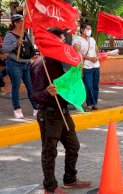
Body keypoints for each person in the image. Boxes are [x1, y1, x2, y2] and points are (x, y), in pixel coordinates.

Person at [31, 28, 91, 194]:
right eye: (61, 41)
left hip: (63, 112)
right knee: (50, 151)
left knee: (73, 146)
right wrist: (46, 92)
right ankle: (49, 186)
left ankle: (70, 179)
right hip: (49, 114)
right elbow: (35, 95)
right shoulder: (39, 65)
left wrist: (77, 71)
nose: (64, 44)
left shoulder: (61, 62)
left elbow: (69, 84)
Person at [2, 14, 38, 118]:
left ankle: (36, 108)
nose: (24, 23)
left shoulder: (25, 33)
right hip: (14, 64)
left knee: (30, 87)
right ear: (16, 23)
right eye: (22, 21)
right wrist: (16, 43)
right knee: (16, 87)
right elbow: (5, 49)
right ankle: (17, 109)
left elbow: (30, 47)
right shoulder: (9, 35)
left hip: (26, 63)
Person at [73, 23, 100, 112]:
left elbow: (96, 49)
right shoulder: (77, 40)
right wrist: (90, 58)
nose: (89, 31)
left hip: (96, 65)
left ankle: (94, 103)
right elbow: (78, 52)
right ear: (82, 30)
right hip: (86, 66)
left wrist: (98, 57)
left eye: (90, 29)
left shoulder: (92, 39)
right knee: (88, 86)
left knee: (95, 85)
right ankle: (89, 104)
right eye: (88, 29)